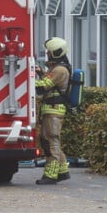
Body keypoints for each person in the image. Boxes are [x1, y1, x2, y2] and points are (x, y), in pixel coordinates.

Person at [34, 36, 73, 184]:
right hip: (51, 110)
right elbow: (49, 82)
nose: (47, 54)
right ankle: (63, 172)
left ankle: (50, 175)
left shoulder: (60, 70)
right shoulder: (58, 69)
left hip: (54, 111)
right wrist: (40, 72)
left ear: (55, 52)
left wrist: (29, 78)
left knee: (51, 142)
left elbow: (43, 86)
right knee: (52, 140)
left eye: (49, 52)